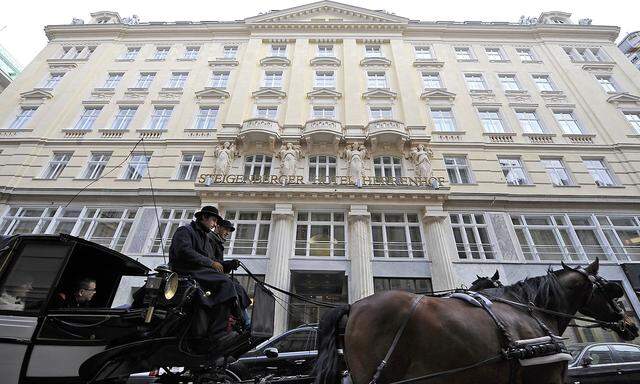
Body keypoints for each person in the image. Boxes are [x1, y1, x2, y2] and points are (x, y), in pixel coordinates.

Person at [169, 206, 248, 349]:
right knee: (225, 284)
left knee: (237, 287)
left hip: (200, 271)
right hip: (186, 270)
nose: (214, 224)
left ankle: (240, 323)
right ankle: (218, 333)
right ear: (203, 217)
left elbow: (213, 261)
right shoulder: (185, 231)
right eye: (213, 220)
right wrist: (211, 263)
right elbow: (184, 251)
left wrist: (228, 265)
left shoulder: (205, 238)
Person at [212, 219, 251, 329]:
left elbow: (219, 265)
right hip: (209, 275)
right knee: (235, 287)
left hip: (215, 274)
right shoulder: (211, 240)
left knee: (236, 284)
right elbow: (212, 261)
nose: (227, 233)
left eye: (229, 230)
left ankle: (242, 319)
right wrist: (228, 264)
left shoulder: (217, 242)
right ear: (217, 227)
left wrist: (229, 265)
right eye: (225, 229)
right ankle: (245, 321)